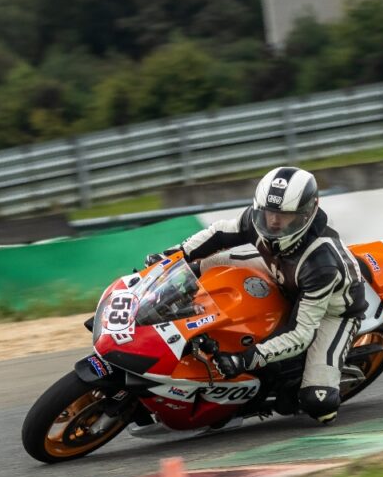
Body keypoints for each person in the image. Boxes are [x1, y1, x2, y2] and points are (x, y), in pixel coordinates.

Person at [148, 166, 367, 424]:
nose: (273, 222)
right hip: (281, 270)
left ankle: (316, 380)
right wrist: (172, 256)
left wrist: (244, 360)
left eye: (284, 216)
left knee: (319, 406)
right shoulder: (258, 217)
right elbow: (218, 233)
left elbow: (301, 333)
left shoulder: (321, 264)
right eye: (268, 213)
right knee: (205, 265)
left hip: (333, 310)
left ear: (307, 213)